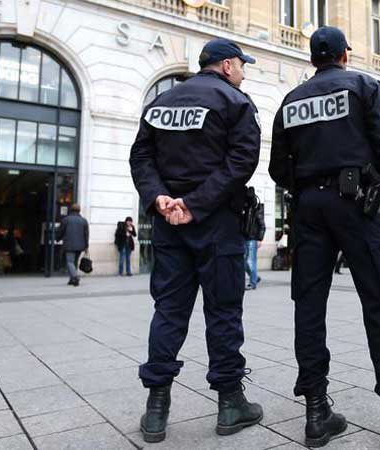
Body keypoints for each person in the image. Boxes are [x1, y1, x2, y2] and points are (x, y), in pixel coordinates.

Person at [269, 26, 380, 450]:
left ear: (312, 60)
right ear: (345, 54)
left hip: (307, 208)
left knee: (308, 306)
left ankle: (316, 415)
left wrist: (307, 186)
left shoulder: (292, 100)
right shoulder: (364, 85)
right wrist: (372, 181)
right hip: (354, 204)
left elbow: (277, 167)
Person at [130, 38, 263, 443]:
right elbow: (242, 161)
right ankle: (229, 404)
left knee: (169, 310)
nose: (244, 72)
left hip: (170, 222)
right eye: (242, 65)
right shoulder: (235, 102)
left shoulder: (161, 102)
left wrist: (159, 198)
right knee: (222, 309)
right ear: (225, 66)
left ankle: (156, 411)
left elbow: (140, 157)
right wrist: (197, 202)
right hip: (215, 221)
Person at [56, 204, 89, 286]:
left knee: (70, 262)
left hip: (69, 244)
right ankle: (72, 280)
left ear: (71, 210)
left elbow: (61, 231)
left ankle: (75, 277)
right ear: (79, 210)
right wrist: (86, 246)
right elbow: (86, 234)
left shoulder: (66, 219)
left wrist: (57, 238)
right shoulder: (83, 220)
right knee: (74, 262)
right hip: (80, 245)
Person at [244, 198, 265, 290]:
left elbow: (262, 225)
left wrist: (260, 239)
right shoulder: (245, 210)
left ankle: (253, 283)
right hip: (245, 237)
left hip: (253, 238)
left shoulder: (256, 210)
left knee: (250, 261)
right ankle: (255, 277)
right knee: (243, 261)